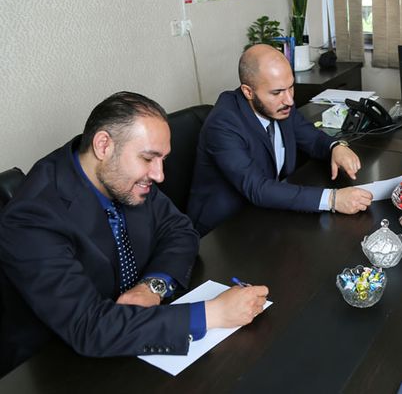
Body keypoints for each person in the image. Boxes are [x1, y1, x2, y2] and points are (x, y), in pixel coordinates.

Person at [0, 92, 269, 375]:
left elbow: (180, 230)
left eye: (162, 159)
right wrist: (212, 314)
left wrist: (153, 286)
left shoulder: (122, 176)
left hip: (131, 339)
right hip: (58, 365)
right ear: (103, 145)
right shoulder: (32, 216)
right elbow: (88, 327)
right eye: (148, 158)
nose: (159, 175)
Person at [188, 44, 373, 236]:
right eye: (277, 92)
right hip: (224, 231)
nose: (289, 101)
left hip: (267, 212)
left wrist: (335, 147)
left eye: (291, 87)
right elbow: (257, 188)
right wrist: (332, 199)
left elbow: (310, 136)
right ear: (248, 92)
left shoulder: (279, 106)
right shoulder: (223, 124)